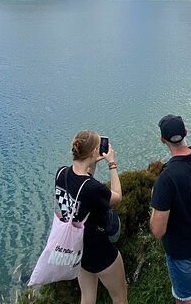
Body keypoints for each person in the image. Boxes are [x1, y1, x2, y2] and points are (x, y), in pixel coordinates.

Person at [55, 130, 127, 304]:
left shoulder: (61, 174)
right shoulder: (93, 188)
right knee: (119, 297)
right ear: (95, 152)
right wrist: (112, 164)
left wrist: (92, 162)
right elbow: (117, 195)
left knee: (87, 297)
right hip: (100, 251)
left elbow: (82, 186)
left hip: (78, 249)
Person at [149, 115, 191, 304]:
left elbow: (158, 231)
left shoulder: (166, 179)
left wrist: (153, 207)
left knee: (184, 296)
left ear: (162, 140)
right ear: (186, 132)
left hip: (180, 248)